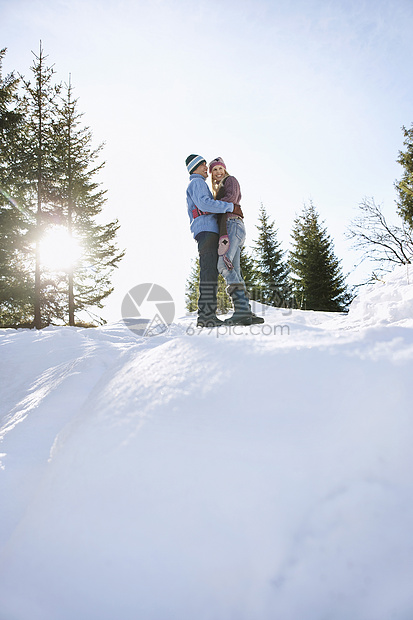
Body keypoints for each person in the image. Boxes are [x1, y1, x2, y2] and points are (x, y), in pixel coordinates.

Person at [209, 157, 264, 325]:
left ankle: (241, 310)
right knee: (235, 271)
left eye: (220, 168)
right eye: (215, 170)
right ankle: (245, 312)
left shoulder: (230, 181)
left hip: (233, 225)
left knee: (223, 265)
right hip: (232, 227)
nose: (218, 172)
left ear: (225, 169)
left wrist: (211, 205)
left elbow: (232, 198)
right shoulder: (219, 188)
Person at [185, 154, 235, 327]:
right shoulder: (197, 183)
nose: (207, 168)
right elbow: (205, 204)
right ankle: (206, 316)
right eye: (204, 165)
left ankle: (207, 315)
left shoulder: (198, 183)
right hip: (206, 230)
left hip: (206, 230)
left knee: (210, 272)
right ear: (195, 167)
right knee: (208, 272)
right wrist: (229, 206)